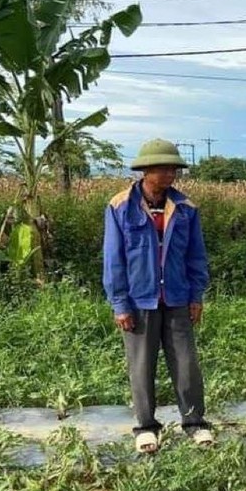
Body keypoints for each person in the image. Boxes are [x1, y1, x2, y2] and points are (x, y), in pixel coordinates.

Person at [102, 138, 212, 454]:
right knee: (141, 365)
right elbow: (114, 258)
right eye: (163, 168)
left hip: (177, 297)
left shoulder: (186, 208)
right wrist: (120, 302)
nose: (170, 174)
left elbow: (195, 256)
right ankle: (146, 427)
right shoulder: (120, 206)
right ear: (146, 171)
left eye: (173, 168)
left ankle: (195, 424)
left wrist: (196, 295)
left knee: (186, 364)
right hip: (138, 301)